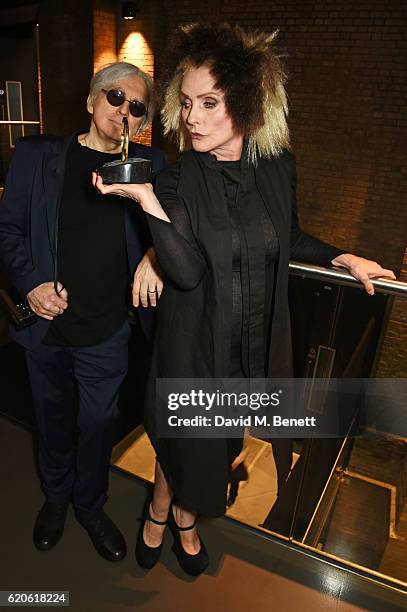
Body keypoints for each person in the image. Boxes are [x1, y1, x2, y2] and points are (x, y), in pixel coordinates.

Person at [94, 23, 396, 575]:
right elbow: (183, 270)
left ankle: (172, 508)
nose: (192, 117)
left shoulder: (277, 168)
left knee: (208, 444)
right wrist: (144, 199)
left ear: (249, 104)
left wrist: (341, 257)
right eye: (186, 103)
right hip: (193, 347)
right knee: (186, 443)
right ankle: (167, 514)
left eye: (209, 102)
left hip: (248, 352)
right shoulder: (180, 178)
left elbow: (287, 235)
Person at [0, 62, 166, 562]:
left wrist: (157, 255)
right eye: (115, 97)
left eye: (136, 107)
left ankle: (89, 506)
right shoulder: (36, 156)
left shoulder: (150, 166)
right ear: (91, 100)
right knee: (51, 423)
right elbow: (6, 231)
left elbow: (180, 225)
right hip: (46, 330)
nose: (124, 110)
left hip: (107, 331)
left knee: (97, 427)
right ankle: (55, 499)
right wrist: (29, 285)